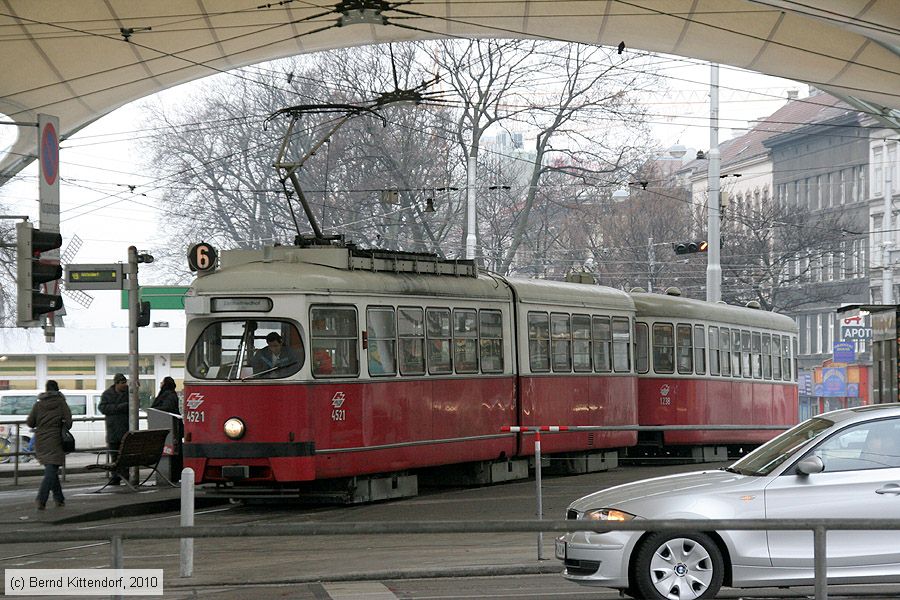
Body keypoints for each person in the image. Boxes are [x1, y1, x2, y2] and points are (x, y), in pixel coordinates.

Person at [26, 380, 72, 510]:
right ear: (57, 390)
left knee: (51, 469)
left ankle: (59, 499)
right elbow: (68, 422)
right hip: (56, 439)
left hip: (41, 439)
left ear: (46, 390)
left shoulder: (38, 404)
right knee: (51, 470)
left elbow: (30, 422)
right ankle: (41, 498)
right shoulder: (61, 403)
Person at [99, 373, 129, 485]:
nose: (124, 385)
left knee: (124, 455)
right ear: (116, 383)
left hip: (124, 429)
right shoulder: (107, 394)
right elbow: (102, 408)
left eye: (125, 382)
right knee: (114, 455)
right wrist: (119, 407)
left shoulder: (129, 393)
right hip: (113, 430)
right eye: (122, 383)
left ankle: (124, 475)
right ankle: (116, 476)